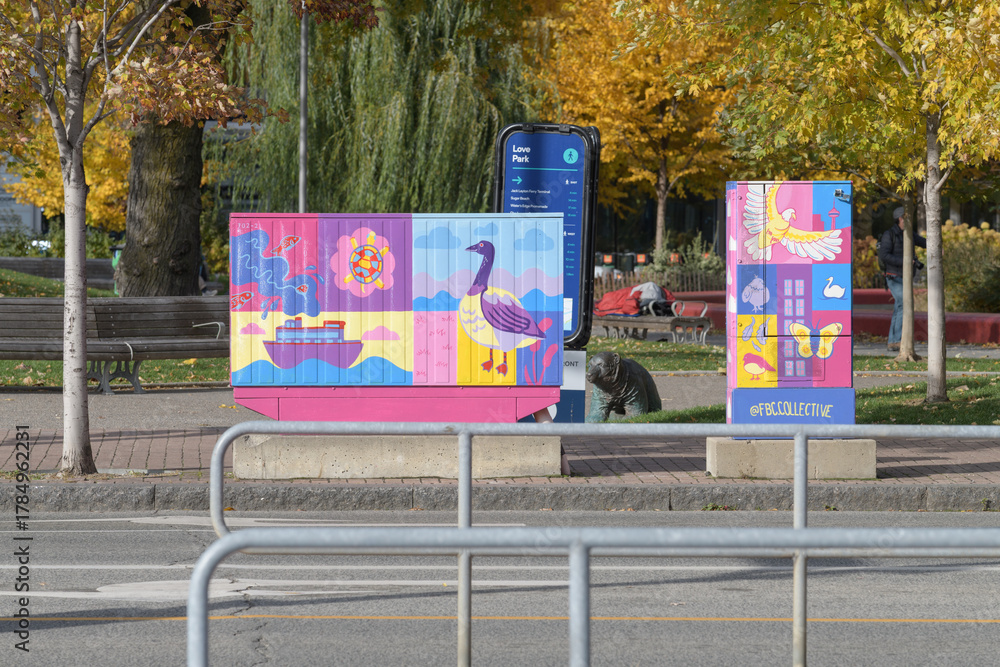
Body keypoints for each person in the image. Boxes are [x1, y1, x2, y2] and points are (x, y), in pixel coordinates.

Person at [878, 206, 926, 352]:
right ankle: (896, 340)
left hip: (905, 277)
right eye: (907, 217)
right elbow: (884, 256)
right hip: (893, 276)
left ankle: (894, 341)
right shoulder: (889, 235)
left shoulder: (909, 234)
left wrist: (937, 246)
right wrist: (905, 261)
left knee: (900, 306)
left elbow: (923, 242)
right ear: (900, 218)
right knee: (904, 303)